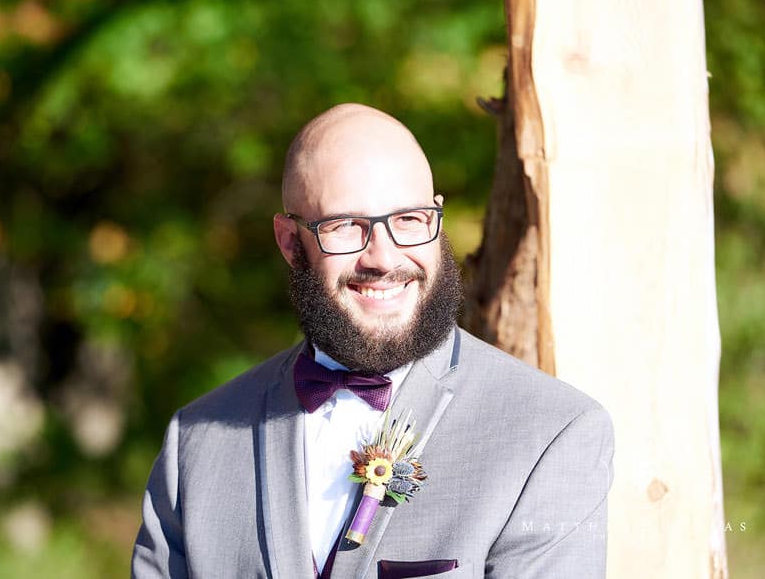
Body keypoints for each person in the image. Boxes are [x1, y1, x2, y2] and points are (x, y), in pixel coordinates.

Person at [132, 104, 613, 577]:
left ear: (437, 220)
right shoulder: (196, 443)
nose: (383, 258)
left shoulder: (551, 433)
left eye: (409, 219)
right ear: (289, 242)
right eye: (345, 226)